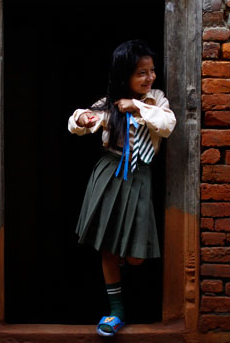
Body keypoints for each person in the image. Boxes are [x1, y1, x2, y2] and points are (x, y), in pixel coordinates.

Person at [67, 39, 176, 336]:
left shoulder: (156, 100)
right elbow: (76, 123)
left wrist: (137, 106)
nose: (149, 77)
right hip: (110, 173)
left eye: (151, 70)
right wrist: (82, 117)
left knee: (136, 255)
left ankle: (126, 264)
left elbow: (167, 125)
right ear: (124, 74)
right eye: (141, 72)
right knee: (107, 248)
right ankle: (116, 312)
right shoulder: (109, 102)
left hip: (139, 176)